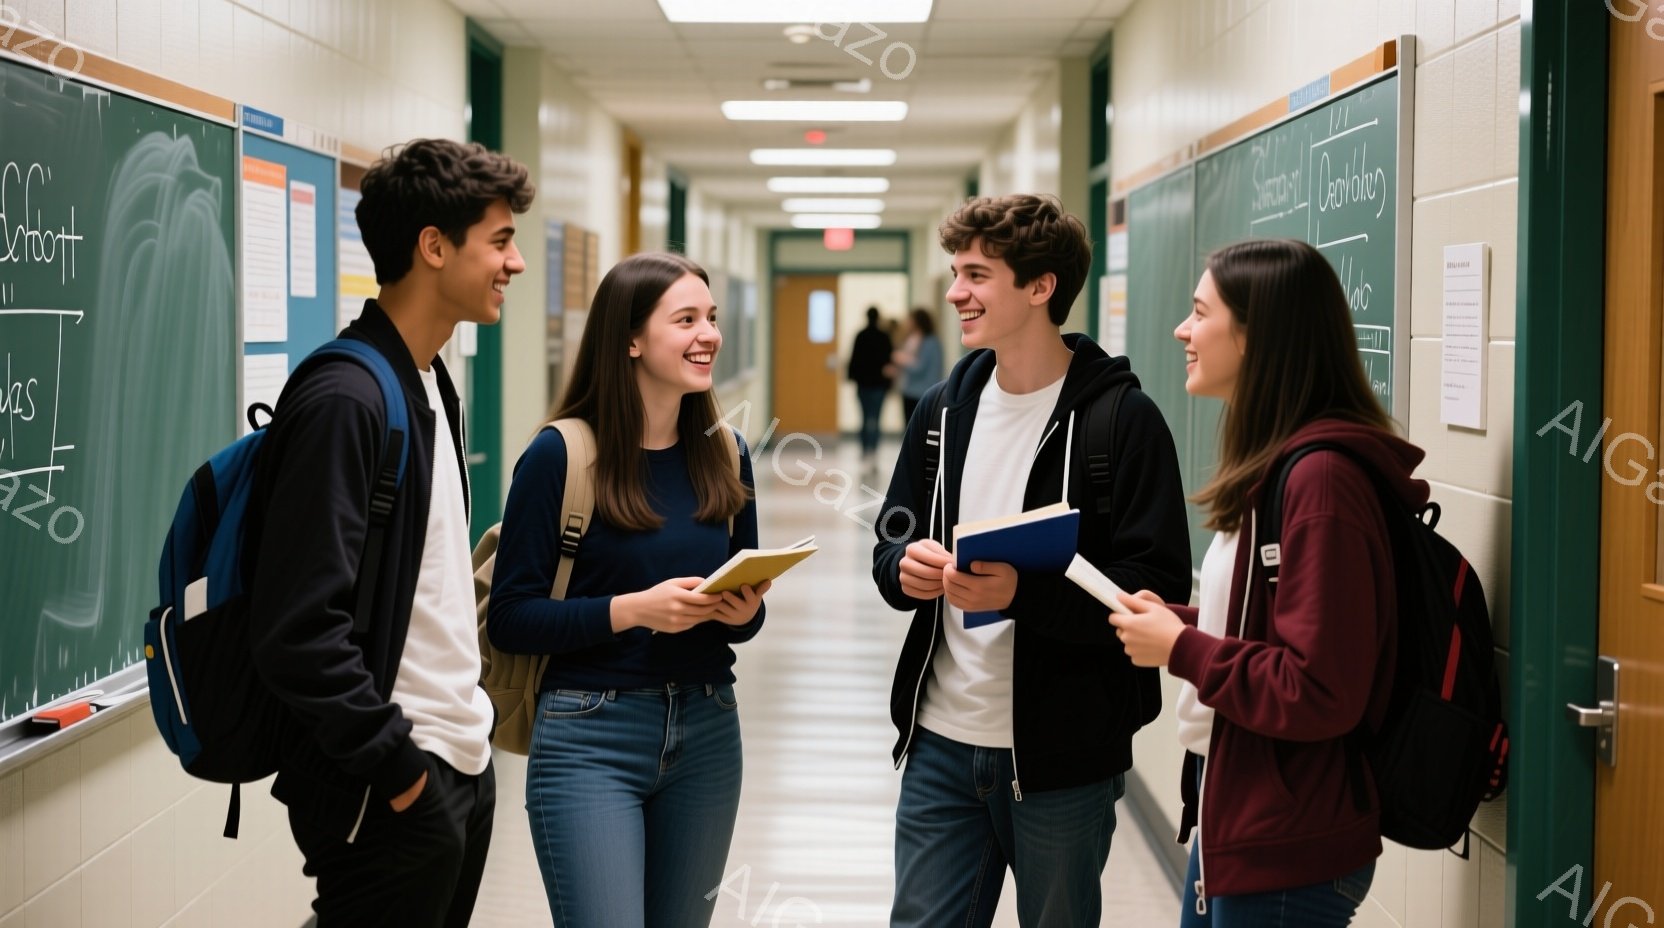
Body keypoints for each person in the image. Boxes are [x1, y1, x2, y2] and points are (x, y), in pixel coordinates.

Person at [870, 194, 1192, 927]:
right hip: (941, 746)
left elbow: (1158, 592)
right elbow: (892, 531)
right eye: (956, 273)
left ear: (1041, 287)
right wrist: (902, 567)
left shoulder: (1122, 421)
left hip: (1062, 761)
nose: (956, 293)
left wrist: (1025, 593)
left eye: (977, 275)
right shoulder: (943, 411)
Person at [247, 139, 533, 926]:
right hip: (394, 775)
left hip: (459, 757)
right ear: (433, 247)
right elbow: (297, 627)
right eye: (500, 241)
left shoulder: (431, 380)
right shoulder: (347, 397)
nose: (514, 263)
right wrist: (397, 768)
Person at [1109, 238, 1425, 927]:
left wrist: (1183, 650)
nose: (1181, 330)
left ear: (1258, 336)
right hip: (1240, 813)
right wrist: (1183, 623)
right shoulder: (1280, 466)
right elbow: (1272, 625)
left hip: (1288, 847)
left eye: (1199, 313)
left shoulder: (1321, 484)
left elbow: (1319, 687)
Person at [487, 251, 768, 927]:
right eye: (686, 320)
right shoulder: (560, 455)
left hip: (707, 728)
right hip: (589, 732)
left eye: (711, 318)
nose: (709, 335)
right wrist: (632, 612)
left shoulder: (724, 451)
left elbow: (746, 614)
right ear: (632, 340)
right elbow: (512, 617)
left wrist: (744, 610)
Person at [848, 305, 895, 463]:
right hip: (879, 385)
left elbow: (854, 359)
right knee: (875, 419)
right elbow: (890, 362)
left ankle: (864, 449)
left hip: (863, 384)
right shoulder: (884, 337)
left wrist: (852, 377)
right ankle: (873, 451)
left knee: (864, 418)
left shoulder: (860, 336)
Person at [891, 307, 944, 423]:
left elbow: (920, 367)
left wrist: (902, 360)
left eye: (910, 320)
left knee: (917, 428)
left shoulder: (930, 342)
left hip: (921, 392)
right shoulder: (915, 339)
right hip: (911, 390)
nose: (907, 323)